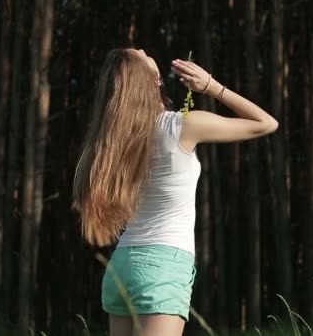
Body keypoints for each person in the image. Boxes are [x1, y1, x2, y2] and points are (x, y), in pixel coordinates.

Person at [72, 48, 278, 336]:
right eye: (141, 55)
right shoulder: (182, 126)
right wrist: (210, 85)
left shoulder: (113, 142)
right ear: (153, 79)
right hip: (162, 266)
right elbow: (266, 123)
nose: (144, 50)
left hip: (121, 265)